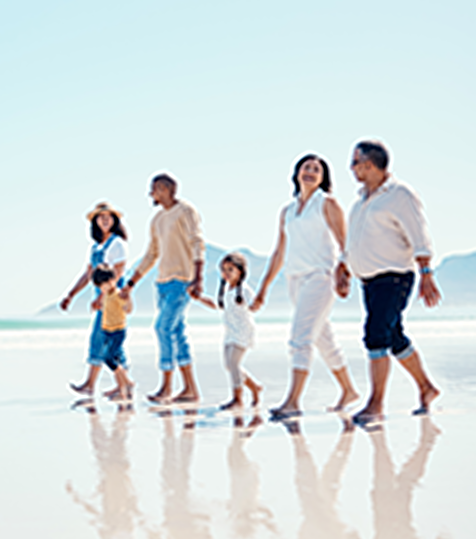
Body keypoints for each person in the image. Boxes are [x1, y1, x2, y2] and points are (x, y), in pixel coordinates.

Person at [335, 139, 441, 424]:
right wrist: (344, 267)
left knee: (375, 334)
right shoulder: (360, 201)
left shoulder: (400, 194)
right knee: (393, 337)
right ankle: (427, 388)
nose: (351, 168)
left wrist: (426, 273)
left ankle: (376, 404)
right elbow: (354, 240)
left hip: (394, 277)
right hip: (369, 281)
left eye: (354, 162)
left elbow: (419, 234)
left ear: (369, 164)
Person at [251, 153, 359, 420]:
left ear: (323, 178)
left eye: (317, 170)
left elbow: (345, 242)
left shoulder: (327, 203)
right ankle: (349, 391)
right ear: (297, 173)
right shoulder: (287, 211)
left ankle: (293, 401)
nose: (310, 172)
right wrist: (263, 288)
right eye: (306, 167)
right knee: (323, 339)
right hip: (295, 279)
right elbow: (279, 252)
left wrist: (345, 271)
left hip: (321, 277)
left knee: (300, 338)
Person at [122, 172, 205, 403]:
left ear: (168, 188)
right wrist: (131, 283)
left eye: (155, 188)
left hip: (182, 280)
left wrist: (198, 278)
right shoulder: (157, 220)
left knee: (162, 328)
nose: (152, 193)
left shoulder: (186, 211)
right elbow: (151, 254)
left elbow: (197, 242)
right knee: (177, 333)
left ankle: (166, 388)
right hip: (162, 284)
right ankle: (190, 390)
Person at [62, 202, 129, 397]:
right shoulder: (95, 248)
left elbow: (117, 274)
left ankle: (90, 384)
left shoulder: (117, 244)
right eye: (100, 217)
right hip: (102, 299)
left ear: (114, 220)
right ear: (95, 222)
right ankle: (126, 384)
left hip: (112, 300)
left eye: (108, 216)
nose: (105, 219)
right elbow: (88, 275)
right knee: (113, 343)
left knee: (99, 339)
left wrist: (101, 297)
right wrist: (71, 294)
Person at [193, 252, 263, 410]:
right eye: (224, 270)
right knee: (230, 365)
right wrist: (199, 298)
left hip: (243, 332)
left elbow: (254, 304)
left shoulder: (244, 290)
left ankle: (237, 399)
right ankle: (254, 387)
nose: (226, 273)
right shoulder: (225, 290)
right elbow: (217, 305)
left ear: (240, 271)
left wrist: (256, 305)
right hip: (230, 332)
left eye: (230, 269)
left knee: (234, 363)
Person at [91, 264, 135, 401]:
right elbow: (105, 309)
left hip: (118, 332)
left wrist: (128, 298)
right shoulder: (106, 295)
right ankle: (123, 390)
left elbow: (128, 310)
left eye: (103, 286)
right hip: (107, 331)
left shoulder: (118, 294)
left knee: (108, 358)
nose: (102, 289)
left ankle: (127, 383)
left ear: (112, 281)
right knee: (115, 361)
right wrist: (98, 306)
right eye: (100, 288)